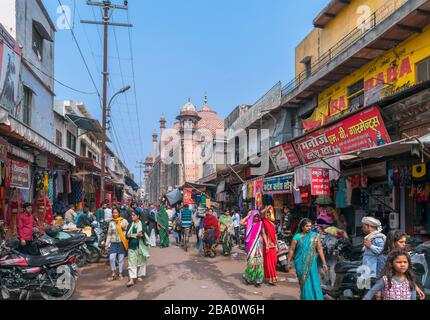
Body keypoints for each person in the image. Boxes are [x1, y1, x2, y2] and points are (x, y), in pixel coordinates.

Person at [376, 230, 426, 300]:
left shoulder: (405, 255)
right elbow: (379, 275)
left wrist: (416, 287)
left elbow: (408, 273)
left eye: (405, 242)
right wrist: (378, 292)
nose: (404, 244)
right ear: (392, 242)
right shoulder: (383, 257)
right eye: (401, 242)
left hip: (408, 288)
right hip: (392, 290)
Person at [286, 218, 328, 300]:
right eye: (307, 226)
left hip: (311, 262)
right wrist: (288, 262)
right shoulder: (297, 237)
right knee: (303, 282)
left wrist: (324, 263)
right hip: (299, 263)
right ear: (302, 227)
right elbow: (291, 250)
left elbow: (319, 249)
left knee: (313, 280)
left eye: (310, 226)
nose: (309, 228)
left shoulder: (314, 236)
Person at [126, 211, 150, 287]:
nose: (132, 217)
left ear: (138, 216)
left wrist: (141, 234)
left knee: (141, 261)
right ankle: (132, 279)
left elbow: (146, 234)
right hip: (131, 246)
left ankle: (139, 275)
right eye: (132, 215)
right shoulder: (130, 224)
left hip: (141, 246)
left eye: (134, 215)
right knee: (132, 262)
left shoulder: (142, 224)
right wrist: (128, 236)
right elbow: (127, 235)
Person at [105, 208, 129, 281]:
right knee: (111, 258)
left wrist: (122, 226)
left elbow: (128, 229)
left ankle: (120, 273)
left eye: (116, 212)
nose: (115, 214)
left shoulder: (124, 221)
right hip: (113, 242)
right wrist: (106, 244)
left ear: (119, 213)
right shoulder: (111, 222)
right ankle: (113, 272)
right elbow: (109, 233)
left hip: (121, 242)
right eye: (113, 212)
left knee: (121, 259)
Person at [241, 210, 264, 287]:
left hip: (258, 244)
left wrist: (266, 244)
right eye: (255, 216)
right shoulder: (248, 224)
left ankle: (258, 280)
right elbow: (241, 222)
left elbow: (263, 234)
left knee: (259, 262)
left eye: (258, 216)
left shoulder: (260, 224)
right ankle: (249, 278)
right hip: (250, 245)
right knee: (251, 262)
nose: (256, 218)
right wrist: (248, 216)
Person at [261, 207, 278, 286]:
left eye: (268, 215)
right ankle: (271, 278)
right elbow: (264, 234)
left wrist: (277, 244)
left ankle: (271, 276)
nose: (267, 216)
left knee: (274, 262)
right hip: (267, 245)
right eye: (266, 215)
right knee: (269, 262)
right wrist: (267, 244)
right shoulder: (263, 222)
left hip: (273, 245)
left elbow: (275, 234)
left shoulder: (272, 224)